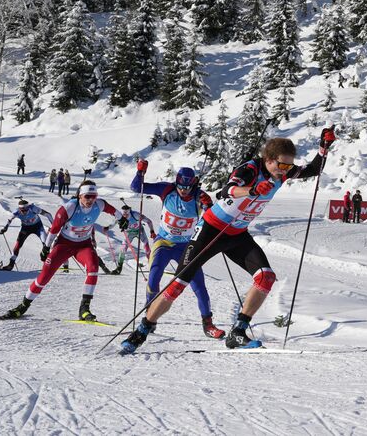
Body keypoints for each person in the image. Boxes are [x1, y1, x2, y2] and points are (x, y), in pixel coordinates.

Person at [120, 128, 335, 354]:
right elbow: (226, 191)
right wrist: (252, 189)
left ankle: (238, 332)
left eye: (289, 167)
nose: (285, 172)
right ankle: (142, 331)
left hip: (237, 234)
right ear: (269, 160)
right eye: (281, 166)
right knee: (178, 284)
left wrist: (324, 148)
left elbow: (313, 169)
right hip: (211, 230)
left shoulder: (282, 172)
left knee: (266, 277)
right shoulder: (251, 169)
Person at [0, 181, 123, 321]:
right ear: (80, 195)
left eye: (93, 196)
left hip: (84, 244)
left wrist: (122, 219)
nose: (90, 200)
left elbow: (113, 210)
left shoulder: (99, 204)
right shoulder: (69, 207)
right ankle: (23, 306)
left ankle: (84, 309)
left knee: (93, 268)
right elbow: (54, 229)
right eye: (87, 196)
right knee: (44, 276)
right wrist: (46, 247)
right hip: (64, 244)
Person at [131, 161, 224, 339]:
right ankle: (150, 317)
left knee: (198, 286)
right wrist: (140, 172)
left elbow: (211, 214)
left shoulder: (199, 195)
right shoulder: (166, 190)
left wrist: (208, 205)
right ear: (176, 182)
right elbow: (136, 187)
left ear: (194, 183)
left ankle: (208, 324)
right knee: (154, 275)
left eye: (188, 187)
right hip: (164, 243)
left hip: (187, 246)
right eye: (181, 186)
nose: (184, 190)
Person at [0, 198, 53, 270]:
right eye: (22, 210)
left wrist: (53, 226)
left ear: (28, 207)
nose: (24, 212)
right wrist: (5, 228)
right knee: (18, 245)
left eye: (26, 210)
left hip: (38, 227)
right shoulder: (16, 212)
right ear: (19, 209)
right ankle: (11, 264)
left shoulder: (33, 208)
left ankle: (46, 265)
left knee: (46, 245)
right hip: (26, 228)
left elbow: (48, 214)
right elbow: (10, 219)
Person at [113, 201, 154, 275]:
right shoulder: (119, 216)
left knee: (146, 247)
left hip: (139, 231)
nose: (124, 215)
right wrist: (107, 228)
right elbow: (113, 224)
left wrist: (152, 231)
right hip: (129, 233)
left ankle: (152, 266)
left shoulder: (136, 215)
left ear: (129, 212)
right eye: (123, 214)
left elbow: (149, 221)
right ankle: (119, 268)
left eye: (126, 214)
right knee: (123, 249)